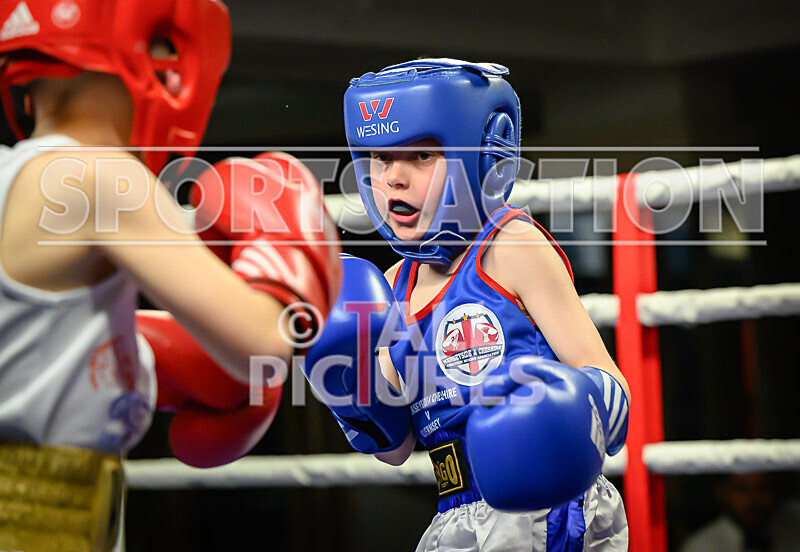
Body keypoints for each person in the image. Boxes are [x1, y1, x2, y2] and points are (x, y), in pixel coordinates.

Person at [0, 0, 340, 549]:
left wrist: (142, 363)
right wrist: (290, 240)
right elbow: (265, 344)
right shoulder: (102, 177)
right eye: (164, 46)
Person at [304, 58, 631, 551]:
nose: (394, 177)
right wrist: (344, 380)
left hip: (548, 511)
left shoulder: (512, 247)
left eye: (419, 156)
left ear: (477, 157)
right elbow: (394, 446)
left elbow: (613, 392)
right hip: (453, 514)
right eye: (379, 158)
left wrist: (551, 418)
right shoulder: (388, 287)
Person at [681, 473, 800, 552]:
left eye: (762, 487)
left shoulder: (794, 532)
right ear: (723, 492)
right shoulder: (701, 547)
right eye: (741, 488)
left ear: (775, 490)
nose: (753, 499)